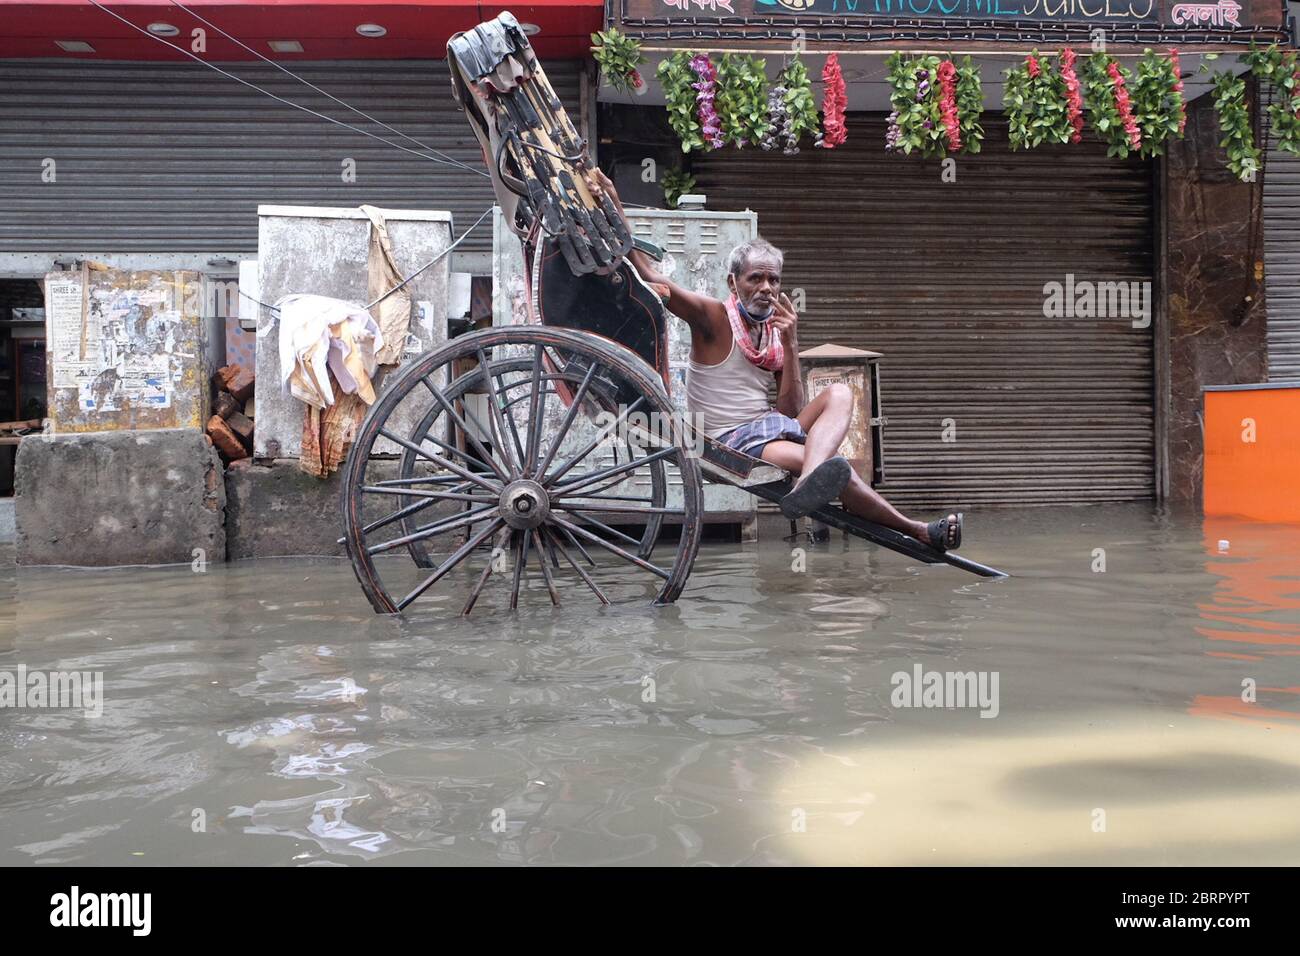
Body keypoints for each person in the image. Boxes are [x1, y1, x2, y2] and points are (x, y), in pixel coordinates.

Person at [585, 169, 962, 551]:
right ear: (734, 283)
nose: (766, 288)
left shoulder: (774, 334)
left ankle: (811, 479)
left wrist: (792, 341)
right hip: (730, 440)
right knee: (842, 471)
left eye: (774, 280)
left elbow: (790, 411)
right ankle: (916, 529)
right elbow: (648, 275)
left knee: (840, 394)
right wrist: (614, 203)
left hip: (767, 429)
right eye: (755, 279)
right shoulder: (712, 317)